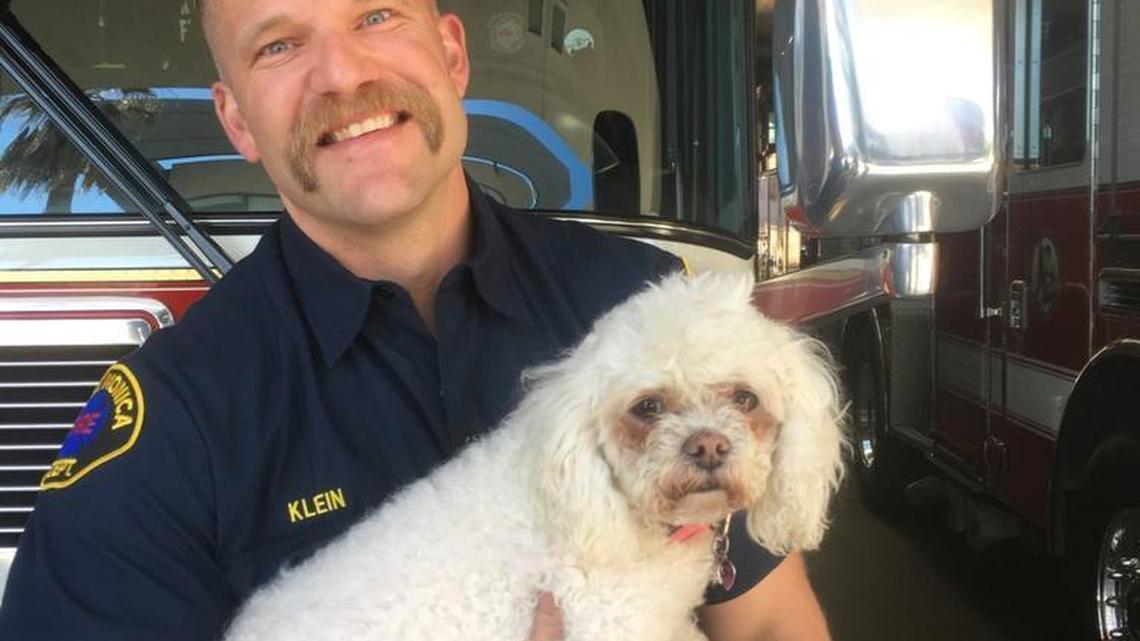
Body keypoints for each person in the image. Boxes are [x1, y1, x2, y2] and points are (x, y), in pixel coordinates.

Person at [0, 1, 832, 639]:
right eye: (279, 45)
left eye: (376, 15)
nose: (342, 74)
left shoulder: (643, 302)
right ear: (236, 119)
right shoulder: (171, 421)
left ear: (452, 53)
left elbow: (764, 618)